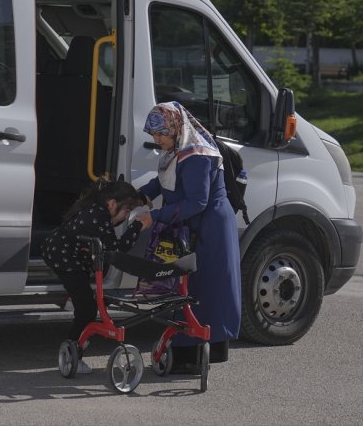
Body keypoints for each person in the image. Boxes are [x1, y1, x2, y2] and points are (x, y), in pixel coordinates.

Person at [137, 101, 241, 371]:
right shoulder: (178, 148)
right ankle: (187, 351)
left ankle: (197, 352)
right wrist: (143, 195)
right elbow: (165, 181)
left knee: (204, 289)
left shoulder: (195, 155)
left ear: (175, 128)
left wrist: (155, 216)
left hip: (208, 228)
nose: (157, 141)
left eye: (161, 135)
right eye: (154, 136)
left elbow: (197, 201)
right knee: (188, 287)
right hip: (191, 224)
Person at [41, 179, 152, 373]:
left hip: (66, 253)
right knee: (87, 310)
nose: (126, 217)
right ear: (112, 204)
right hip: (66, 259)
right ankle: (74, 351)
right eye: (126, 211)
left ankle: (75, 300)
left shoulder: (96, 209)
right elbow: (116, 250)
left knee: (90, 291)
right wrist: (138, 226)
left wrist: (141, 201)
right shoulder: (98, 217)